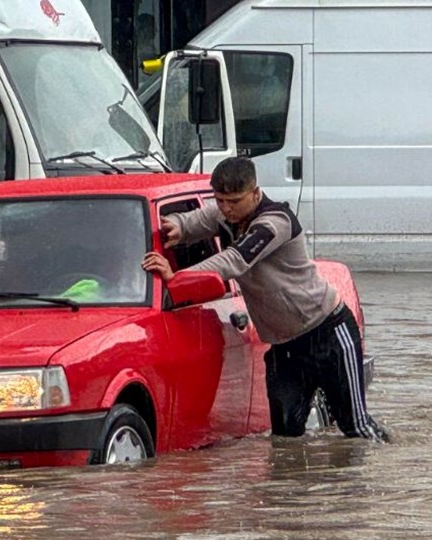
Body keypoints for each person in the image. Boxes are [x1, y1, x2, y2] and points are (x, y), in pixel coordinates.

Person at [141, 157, 389, 442]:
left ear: (255, 193)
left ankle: (387, 474)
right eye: (220, 200)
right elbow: (191, 221)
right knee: (284, 439)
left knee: (356, 428)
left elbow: (236, 260)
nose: (226, 208)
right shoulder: (223, 215)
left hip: (328, 332)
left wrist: (177, 276)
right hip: (284, 347)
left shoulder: (275, 222)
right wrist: (171, 227)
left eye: (234, 201)